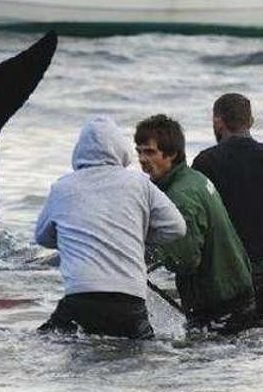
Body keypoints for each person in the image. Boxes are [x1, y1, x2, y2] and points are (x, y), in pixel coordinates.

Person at [35, 116, 186, 339]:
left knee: (46, 341)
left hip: (80, 298)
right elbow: (177, 228)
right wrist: (137, 234)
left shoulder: (62, 187)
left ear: (79, 152)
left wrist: (76, 236)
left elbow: (42, 237)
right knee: (139, 354)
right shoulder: (139, 183)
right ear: (121, 150)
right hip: (130, 302)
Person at [134, 114, 254, 333]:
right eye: (139, 151)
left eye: (150, 152)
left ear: (171, 154)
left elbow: (186, 260)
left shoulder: (181, 197)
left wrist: (144, 254)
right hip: (236, 290)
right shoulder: (194, 178)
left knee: (198, 363)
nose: (142, 159)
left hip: (218, 304)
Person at [192, 93, 263, 322]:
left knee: (222, 338)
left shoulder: (206, 162)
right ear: (251, 122)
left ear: (218, 121)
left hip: (232, 269)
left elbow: (200, 223)